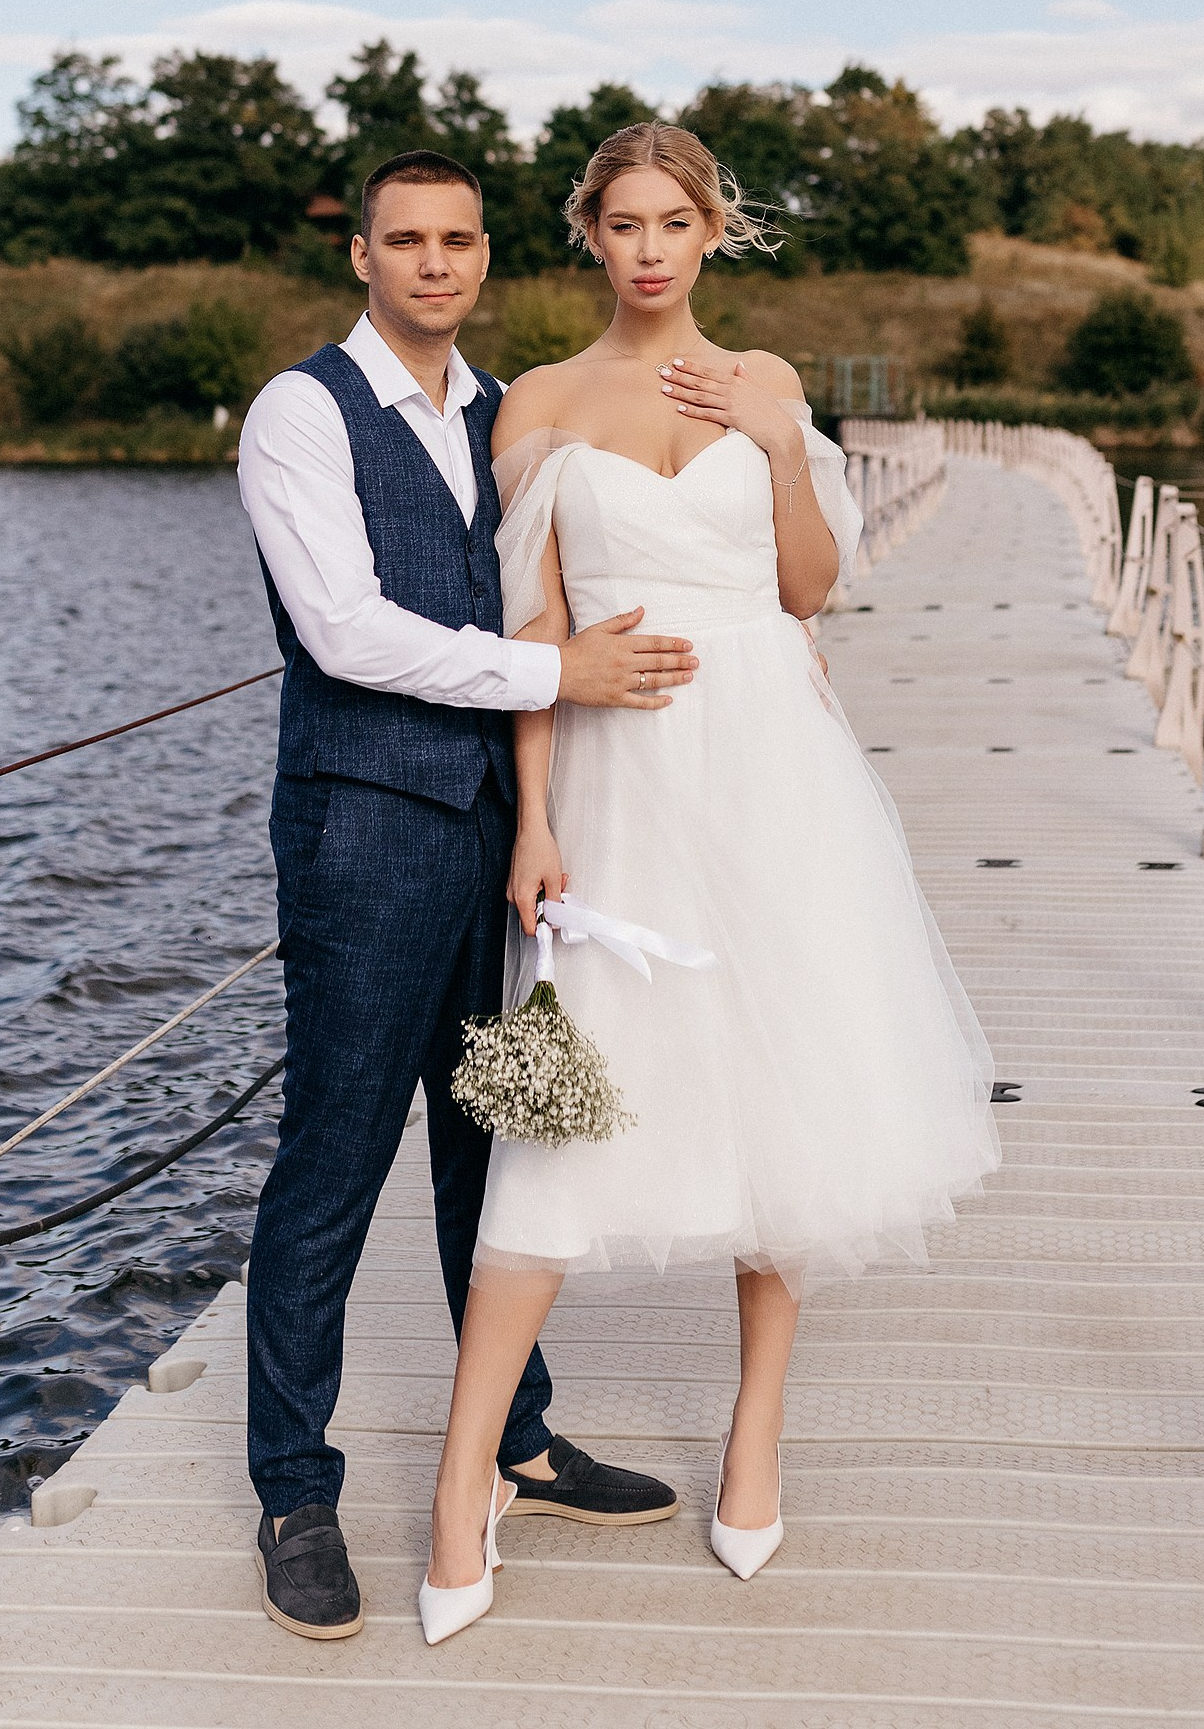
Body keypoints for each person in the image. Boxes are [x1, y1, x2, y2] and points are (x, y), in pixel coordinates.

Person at [416, 123, 999, 1645]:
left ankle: (757, 1433)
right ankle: (463, 1474)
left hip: (778, 772)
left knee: (778, 1085)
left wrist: (775, 425)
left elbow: (808, 585)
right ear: (590, 237)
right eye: (626, 222)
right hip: (618, 776)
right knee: (561, 1107)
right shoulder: (536, 403)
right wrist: (535, 819)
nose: (653, 246)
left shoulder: (772, 383)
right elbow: (531, 627)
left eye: (679, 220)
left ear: (715, 231)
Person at [237, 148, 693, 1644]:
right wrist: (557, 673)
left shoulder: (506, 413)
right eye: (403, 241)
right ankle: (298, 1491)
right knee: (336, 1158)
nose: (433, 265)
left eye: (457, 242)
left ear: (486, 256)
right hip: (366, 834)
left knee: (499, 1143)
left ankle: (520, 1441)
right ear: (360, 255)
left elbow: (570, 586)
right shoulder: (302, 414)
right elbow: (348, 632)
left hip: (502, 840)